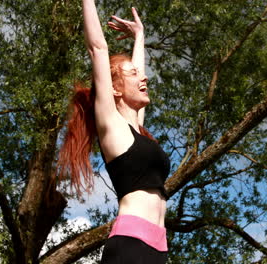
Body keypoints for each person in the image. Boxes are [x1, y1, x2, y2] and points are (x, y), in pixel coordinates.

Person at [57, 0, 170, 263]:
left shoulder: (137, 130)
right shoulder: (112, 126)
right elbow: (98, 48)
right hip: (131, 244)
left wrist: (140, 36)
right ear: (114, 89)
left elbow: (138, 73)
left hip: (158, 248)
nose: (143, 78)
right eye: (132, 75)